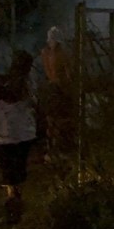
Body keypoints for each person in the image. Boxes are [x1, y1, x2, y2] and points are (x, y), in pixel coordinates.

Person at [0, 49, 37, 225]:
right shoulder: (15, 78)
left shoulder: (24, 82)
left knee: (13, 168)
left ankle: (15, 204)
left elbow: (10, 95)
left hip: (16, 134)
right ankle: (14, 199)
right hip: (8, 133)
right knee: (10, 168)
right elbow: (5, 81)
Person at [39, 26, 73, 158]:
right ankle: (59, 149)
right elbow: (67, 72)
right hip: (59, 89)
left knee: (53, 120)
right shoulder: (60, 53)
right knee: (58, 120)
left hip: (53, 88)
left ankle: (54, 149)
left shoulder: (47, 53)